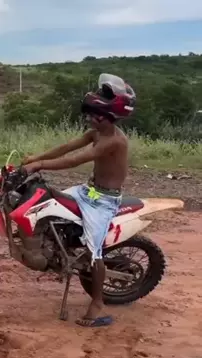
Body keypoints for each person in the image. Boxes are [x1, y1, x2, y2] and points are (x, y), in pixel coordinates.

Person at [21, 73, 136, 327]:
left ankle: (97, 302)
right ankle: (58, 248)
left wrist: (39, 165)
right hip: (89, 191)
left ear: (108, 117)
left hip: (103, 201)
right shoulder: (96, 133)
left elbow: (75, 160)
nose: (89, 118)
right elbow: (67, 147)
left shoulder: (114, 141)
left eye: (95, 115)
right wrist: (35, 158)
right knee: (46, 201)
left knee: (95, 252)